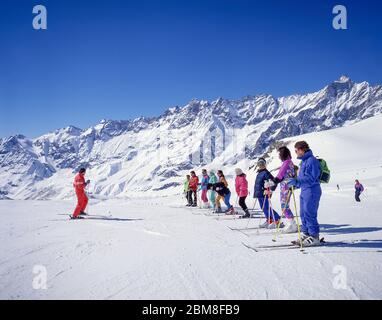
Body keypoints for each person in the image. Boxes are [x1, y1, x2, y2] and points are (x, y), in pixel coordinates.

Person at [287, 141, 322, 246]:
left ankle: (314, 236)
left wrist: (298, 181)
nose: (296, 153)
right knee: (302, 213)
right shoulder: (303, 162)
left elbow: (312, 178)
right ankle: (307, 234)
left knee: (309, 213)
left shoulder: (312, 161)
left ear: (301, 150)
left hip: (312, 190)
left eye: (296, 150)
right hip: (304, 190)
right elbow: (303, 178)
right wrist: (296, 184)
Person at [273, 146, 298, 233]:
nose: (279, 156)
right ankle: (291, 223)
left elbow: (280, 175)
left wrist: (273, 182)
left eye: (280, 154)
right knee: (285, 205)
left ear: (283, 154)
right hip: (287, 185)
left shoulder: (286, 163)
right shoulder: (289, 162)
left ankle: (292, 224)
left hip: (286, 186)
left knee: (284, 205)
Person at [253, 158, 282, 229]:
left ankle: (277, 220)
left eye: (262, 163)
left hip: (264, 193)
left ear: (265, 164)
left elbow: (274, 182)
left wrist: (270, 190)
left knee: (267, 208)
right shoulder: (259, 173)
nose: (260, 165)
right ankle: (269, 220)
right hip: (259, 193)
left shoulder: (266, 173)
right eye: (259, 164)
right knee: (263, 208)